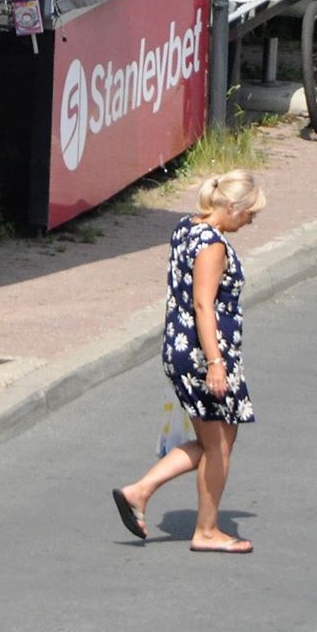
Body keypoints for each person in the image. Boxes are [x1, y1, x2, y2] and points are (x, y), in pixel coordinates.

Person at [112, 170, 266, 553]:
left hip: (186, 349)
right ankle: (206, 532)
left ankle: (140, 491)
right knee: (217, 446)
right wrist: (215, 362)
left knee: (218, 439)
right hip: (202, 354)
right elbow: (203, 304)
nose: (250, 221)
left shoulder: (187, 227)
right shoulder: (213, 245)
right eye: (249, 214)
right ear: (233, 206)